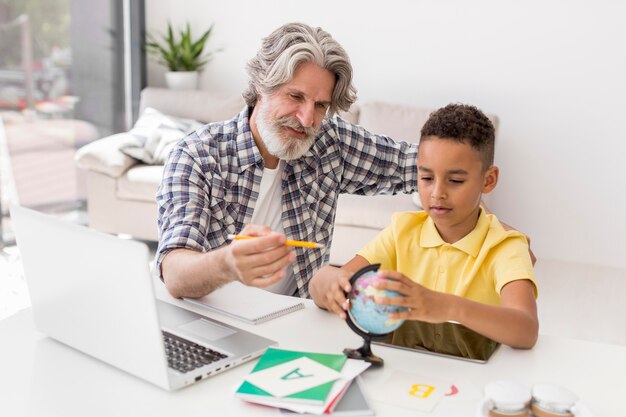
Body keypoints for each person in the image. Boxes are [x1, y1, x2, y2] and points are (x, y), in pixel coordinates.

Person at [155, 22, 418, 299]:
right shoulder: (196, 156)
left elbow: (413, 164)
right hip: (213, 320)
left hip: (293, 320)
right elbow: (174, 273)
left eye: (320, 105)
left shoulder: (330, 143)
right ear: (260, 86)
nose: (307, 119)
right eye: (295, 96)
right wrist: (227, 263)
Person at [309, 104, 538, 349]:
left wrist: (447, 306)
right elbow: (325, 282)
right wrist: (327, 280)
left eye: (456, 181)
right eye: (426, 178)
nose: (437, 193)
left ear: (488, 180)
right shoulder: (403, 230)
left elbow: (525, 329)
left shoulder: (506, 245)